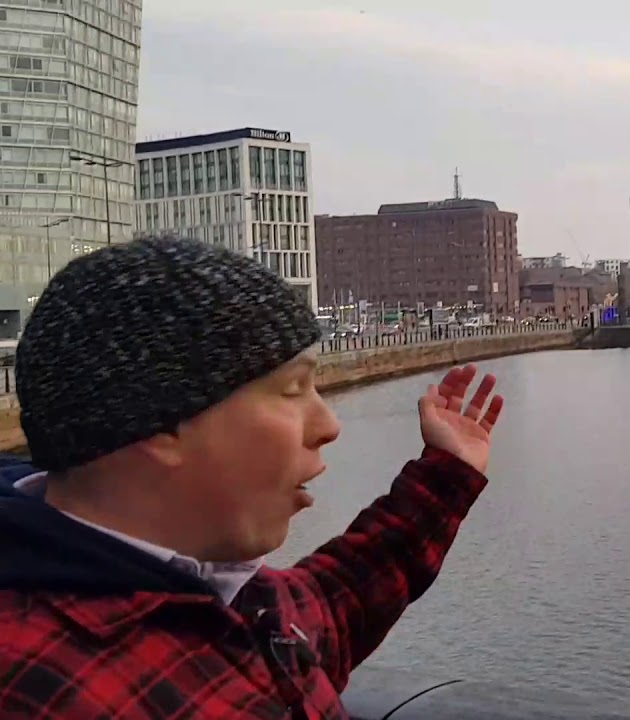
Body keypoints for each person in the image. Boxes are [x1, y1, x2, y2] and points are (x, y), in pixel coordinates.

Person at [0, 235, 504, 719]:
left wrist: (447, 473)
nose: (329, 425)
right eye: (293, 389)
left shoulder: (216, 597)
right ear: (161, 424)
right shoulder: (37, 688)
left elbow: (335, 606)